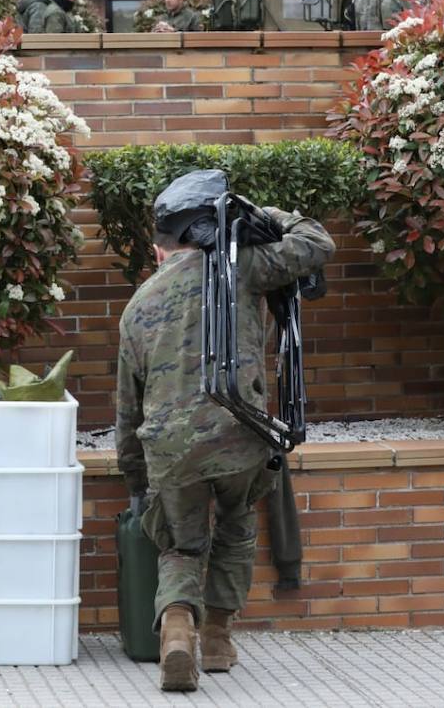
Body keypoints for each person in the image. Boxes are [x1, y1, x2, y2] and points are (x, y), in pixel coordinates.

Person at [116, 171, 335, 693]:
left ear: (162, 246)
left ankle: (175, 631)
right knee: (236, 524)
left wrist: (135, 477)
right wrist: (263, 216)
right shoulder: (243, 266)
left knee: (180, 543)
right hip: (239, 435)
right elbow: (316, 242)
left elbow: (127, 410)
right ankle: (216, 638)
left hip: (169, 448)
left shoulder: (138, 306)